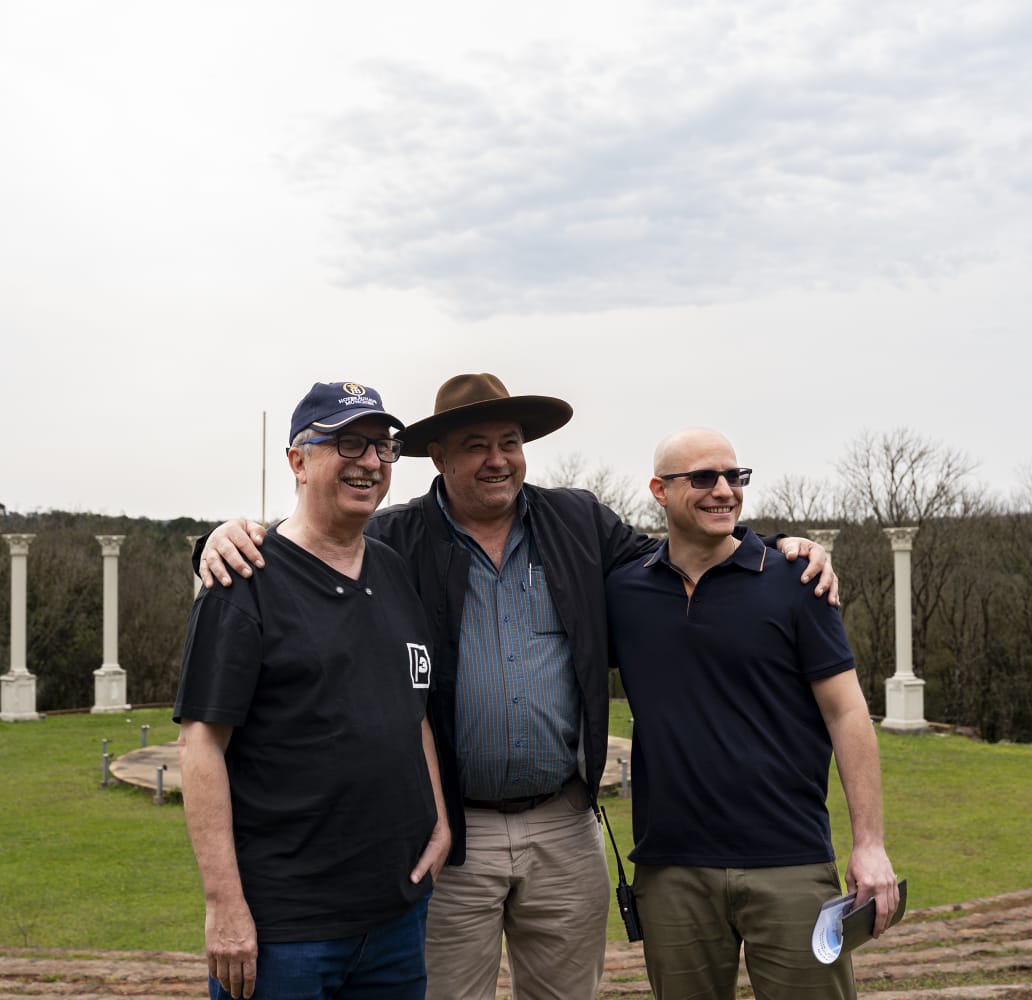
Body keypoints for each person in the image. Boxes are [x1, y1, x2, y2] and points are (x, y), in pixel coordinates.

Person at [196, 373, 839, 1000]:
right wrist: (218, 540)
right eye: (475, 446)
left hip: (563, 827)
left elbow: (679, 557)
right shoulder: (396, 540)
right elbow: (302, 552)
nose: (497, 460)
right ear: (439, 458)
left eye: (509, 442)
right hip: (454, 842)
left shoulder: (579, 523)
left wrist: (780, 547)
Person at [174, 381, 450, 1000]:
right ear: (298, 461)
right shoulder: (244, 579)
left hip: (396, 919)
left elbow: (415, 706)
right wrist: (225, 908)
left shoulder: (394, 570)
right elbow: (201, 745)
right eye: (348, 443)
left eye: (382, 447)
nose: (370, 462)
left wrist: (439, 820)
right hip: (286, 932)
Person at [605, 427, 898, 1000]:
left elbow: (846, 712)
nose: (724, 490)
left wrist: (870, 844)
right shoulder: (623, 591)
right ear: (659, 491)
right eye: (703, 478)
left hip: (788, 860)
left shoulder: (795, 580)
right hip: (671, 869)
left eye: (734, 476)